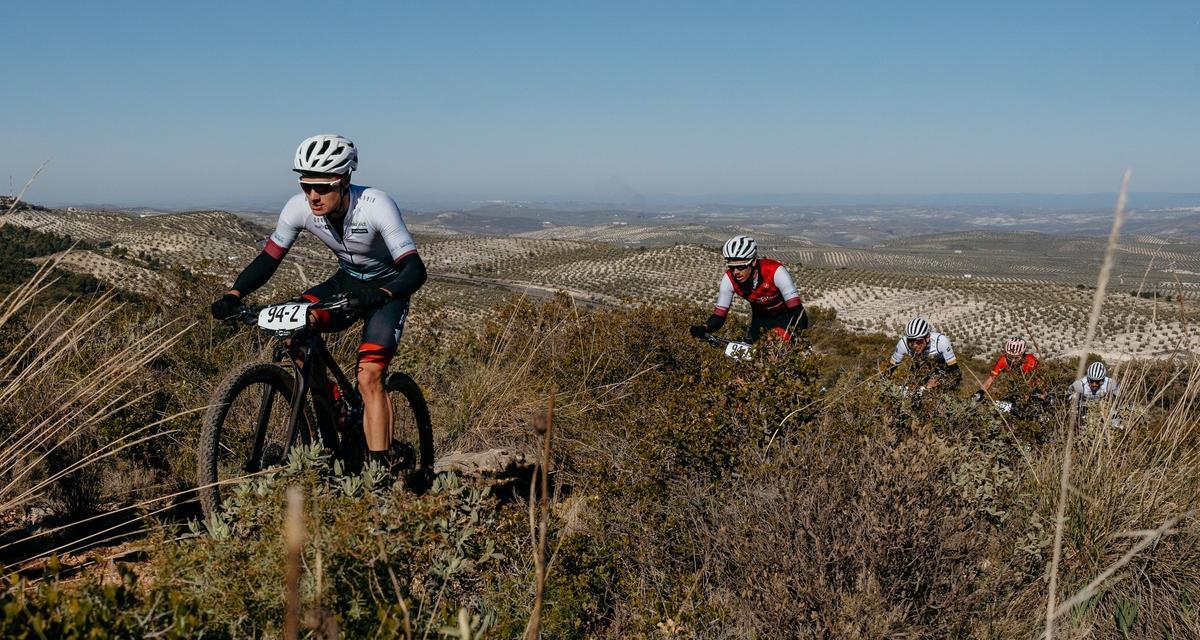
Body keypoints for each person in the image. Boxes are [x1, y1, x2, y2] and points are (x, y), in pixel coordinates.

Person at [210, 134, 427, 470]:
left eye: (323, 187)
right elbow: (269, 259)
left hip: (388, 288)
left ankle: (378, 477)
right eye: (306, 185)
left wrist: (383, 293)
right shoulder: (298, 209)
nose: (313, 195)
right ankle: (334, 407)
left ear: (345, 182)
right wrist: (234, 294)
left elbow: (414, 269)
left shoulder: (375, 205)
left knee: (369, 375)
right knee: (294, 327)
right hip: (346, 281)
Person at [689, 235, 807, 343]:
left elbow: (798, 312)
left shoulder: (775, 272)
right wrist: (704, 328)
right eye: (732, 267)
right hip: (760, 319)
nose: (736, 272)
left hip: (786, 318)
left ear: (753, 262)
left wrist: (798, 337)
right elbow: (719, 316)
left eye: (741, 267)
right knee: (749, 357)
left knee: (773, 349)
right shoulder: (729, 279)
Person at [886, 317, 960, 389]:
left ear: (927, 338)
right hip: (919, 367)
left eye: (918, 341)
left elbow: (956, 373)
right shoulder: (903, 343)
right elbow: (890, 369)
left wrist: (941, 382)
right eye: (911, 341)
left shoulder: (941, 341)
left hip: (941, 369)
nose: (914, 345)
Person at [971, 337, 1043, 402]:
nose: (1013, 360)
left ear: (1023, 354)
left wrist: (1039, 394)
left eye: (1016, 357)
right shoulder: (1003, 360)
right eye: (1011, 357)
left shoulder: (1031, 360)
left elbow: (1041, 378)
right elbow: (991, 379)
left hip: (1033, 390)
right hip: (1015, 389)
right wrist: (980, 392)